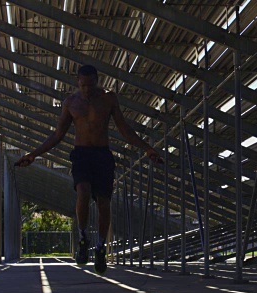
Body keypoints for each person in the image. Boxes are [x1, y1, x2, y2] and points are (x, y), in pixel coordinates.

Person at [15, 65, 162, 274]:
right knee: (82, 191)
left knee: (104, 202)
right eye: (83, 85)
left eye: (91, 85)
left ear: (97, 81)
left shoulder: (109, 99)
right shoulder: (71, 103)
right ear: (77, 82)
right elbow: (57, 135)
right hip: (81, 153)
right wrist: (34, 154)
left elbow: (124, 129)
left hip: (102, 154)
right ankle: (83, 237)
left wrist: (147, 149)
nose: (87, 89)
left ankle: (101, 246)